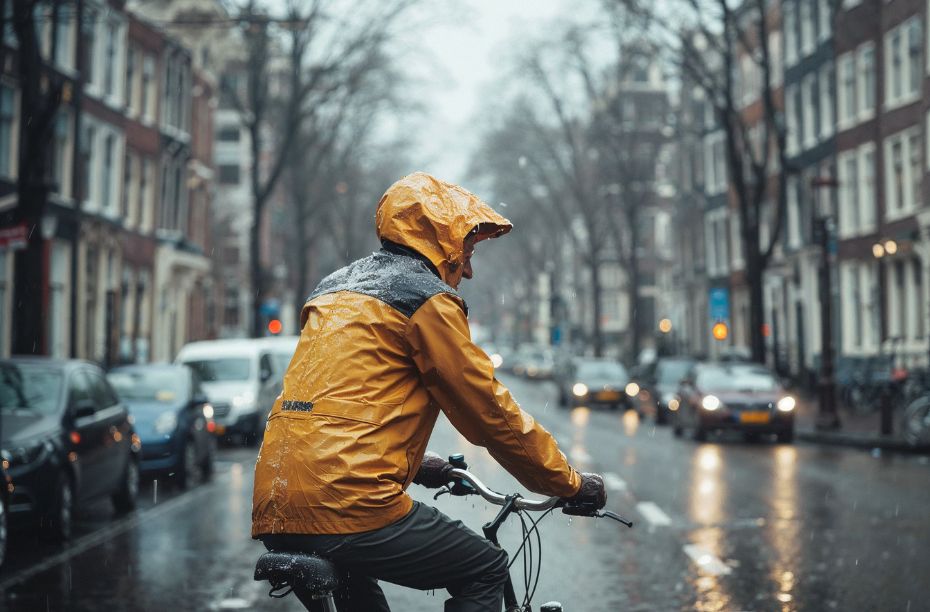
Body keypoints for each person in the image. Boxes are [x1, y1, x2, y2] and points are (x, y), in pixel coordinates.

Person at [252, 171, 606, 611]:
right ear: (442, 242)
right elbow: (489, 413)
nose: (470, 269)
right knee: (485, 567)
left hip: (277, 498)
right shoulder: (425, 299)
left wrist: (418, 465)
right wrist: (569, 485)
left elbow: (341, 404)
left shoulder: (334, 290)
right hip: (347, 503)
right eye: (468, 250)